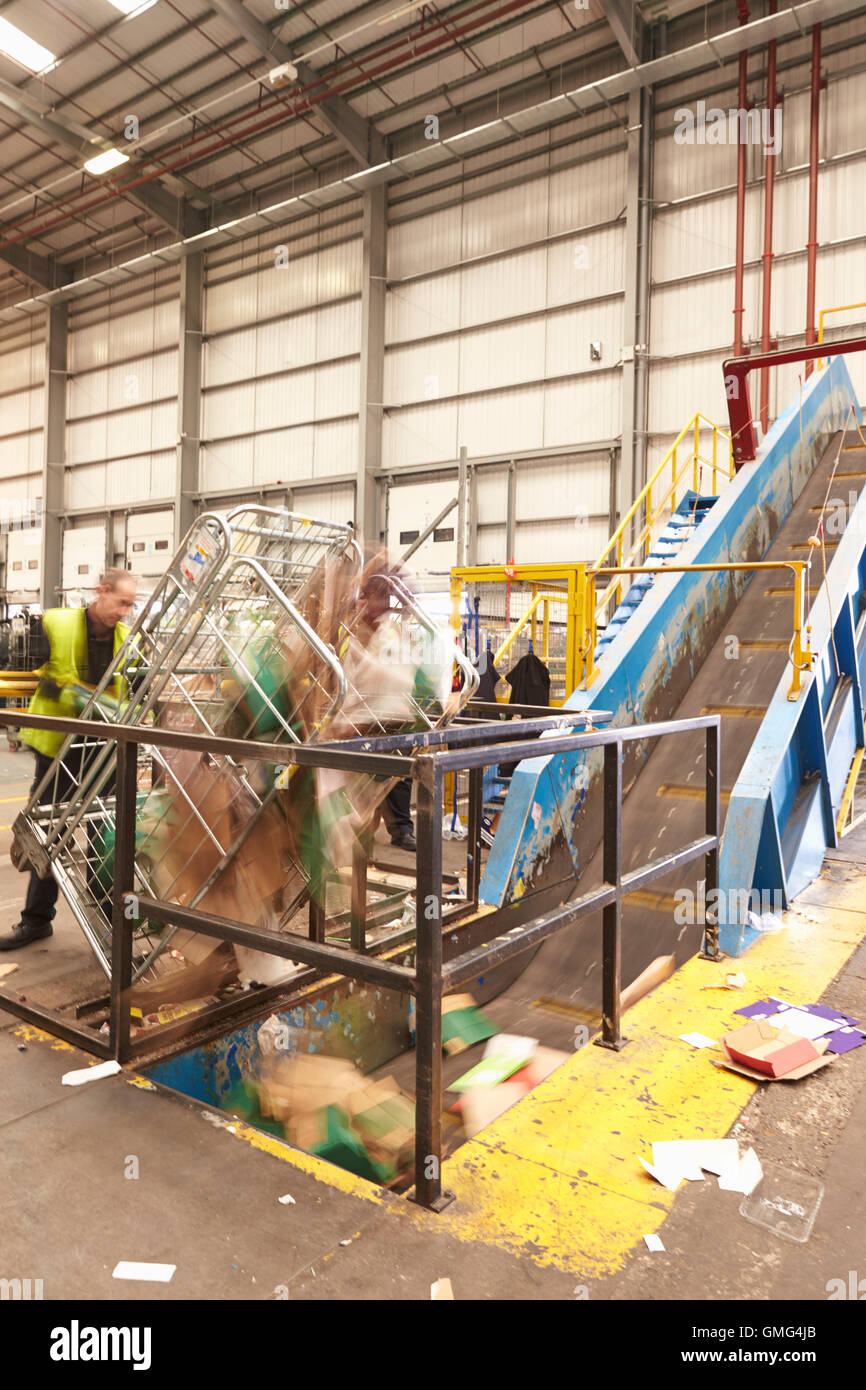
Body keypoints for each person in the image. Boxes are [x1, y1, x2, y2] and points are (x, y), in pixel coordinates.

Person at [0, 569, 137, 950]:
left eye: (130, 604)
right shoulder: (57, 624)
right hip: (59, 752)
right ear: (101, 591)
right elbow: (38, 674)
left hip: (103, 752)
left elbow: (136, 692)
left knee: (104, 836)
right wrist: (74, 693)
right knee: (49, 835)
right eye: (121, 601)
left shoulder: (127, 639)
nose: (125, 612)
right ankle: (36, 920)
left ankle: (107, 917)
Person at [345, 571, 416, 853]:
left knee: (396, 776)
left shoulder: (392, 630)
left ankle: (401, 830)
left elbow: (399, 672)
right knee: (359, 777)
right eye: (363, 596)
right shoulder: (349, 629)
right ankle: (361, 829)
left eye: (370, 597)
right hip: (359, 715)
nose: (366, 603)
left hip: (391, 714)